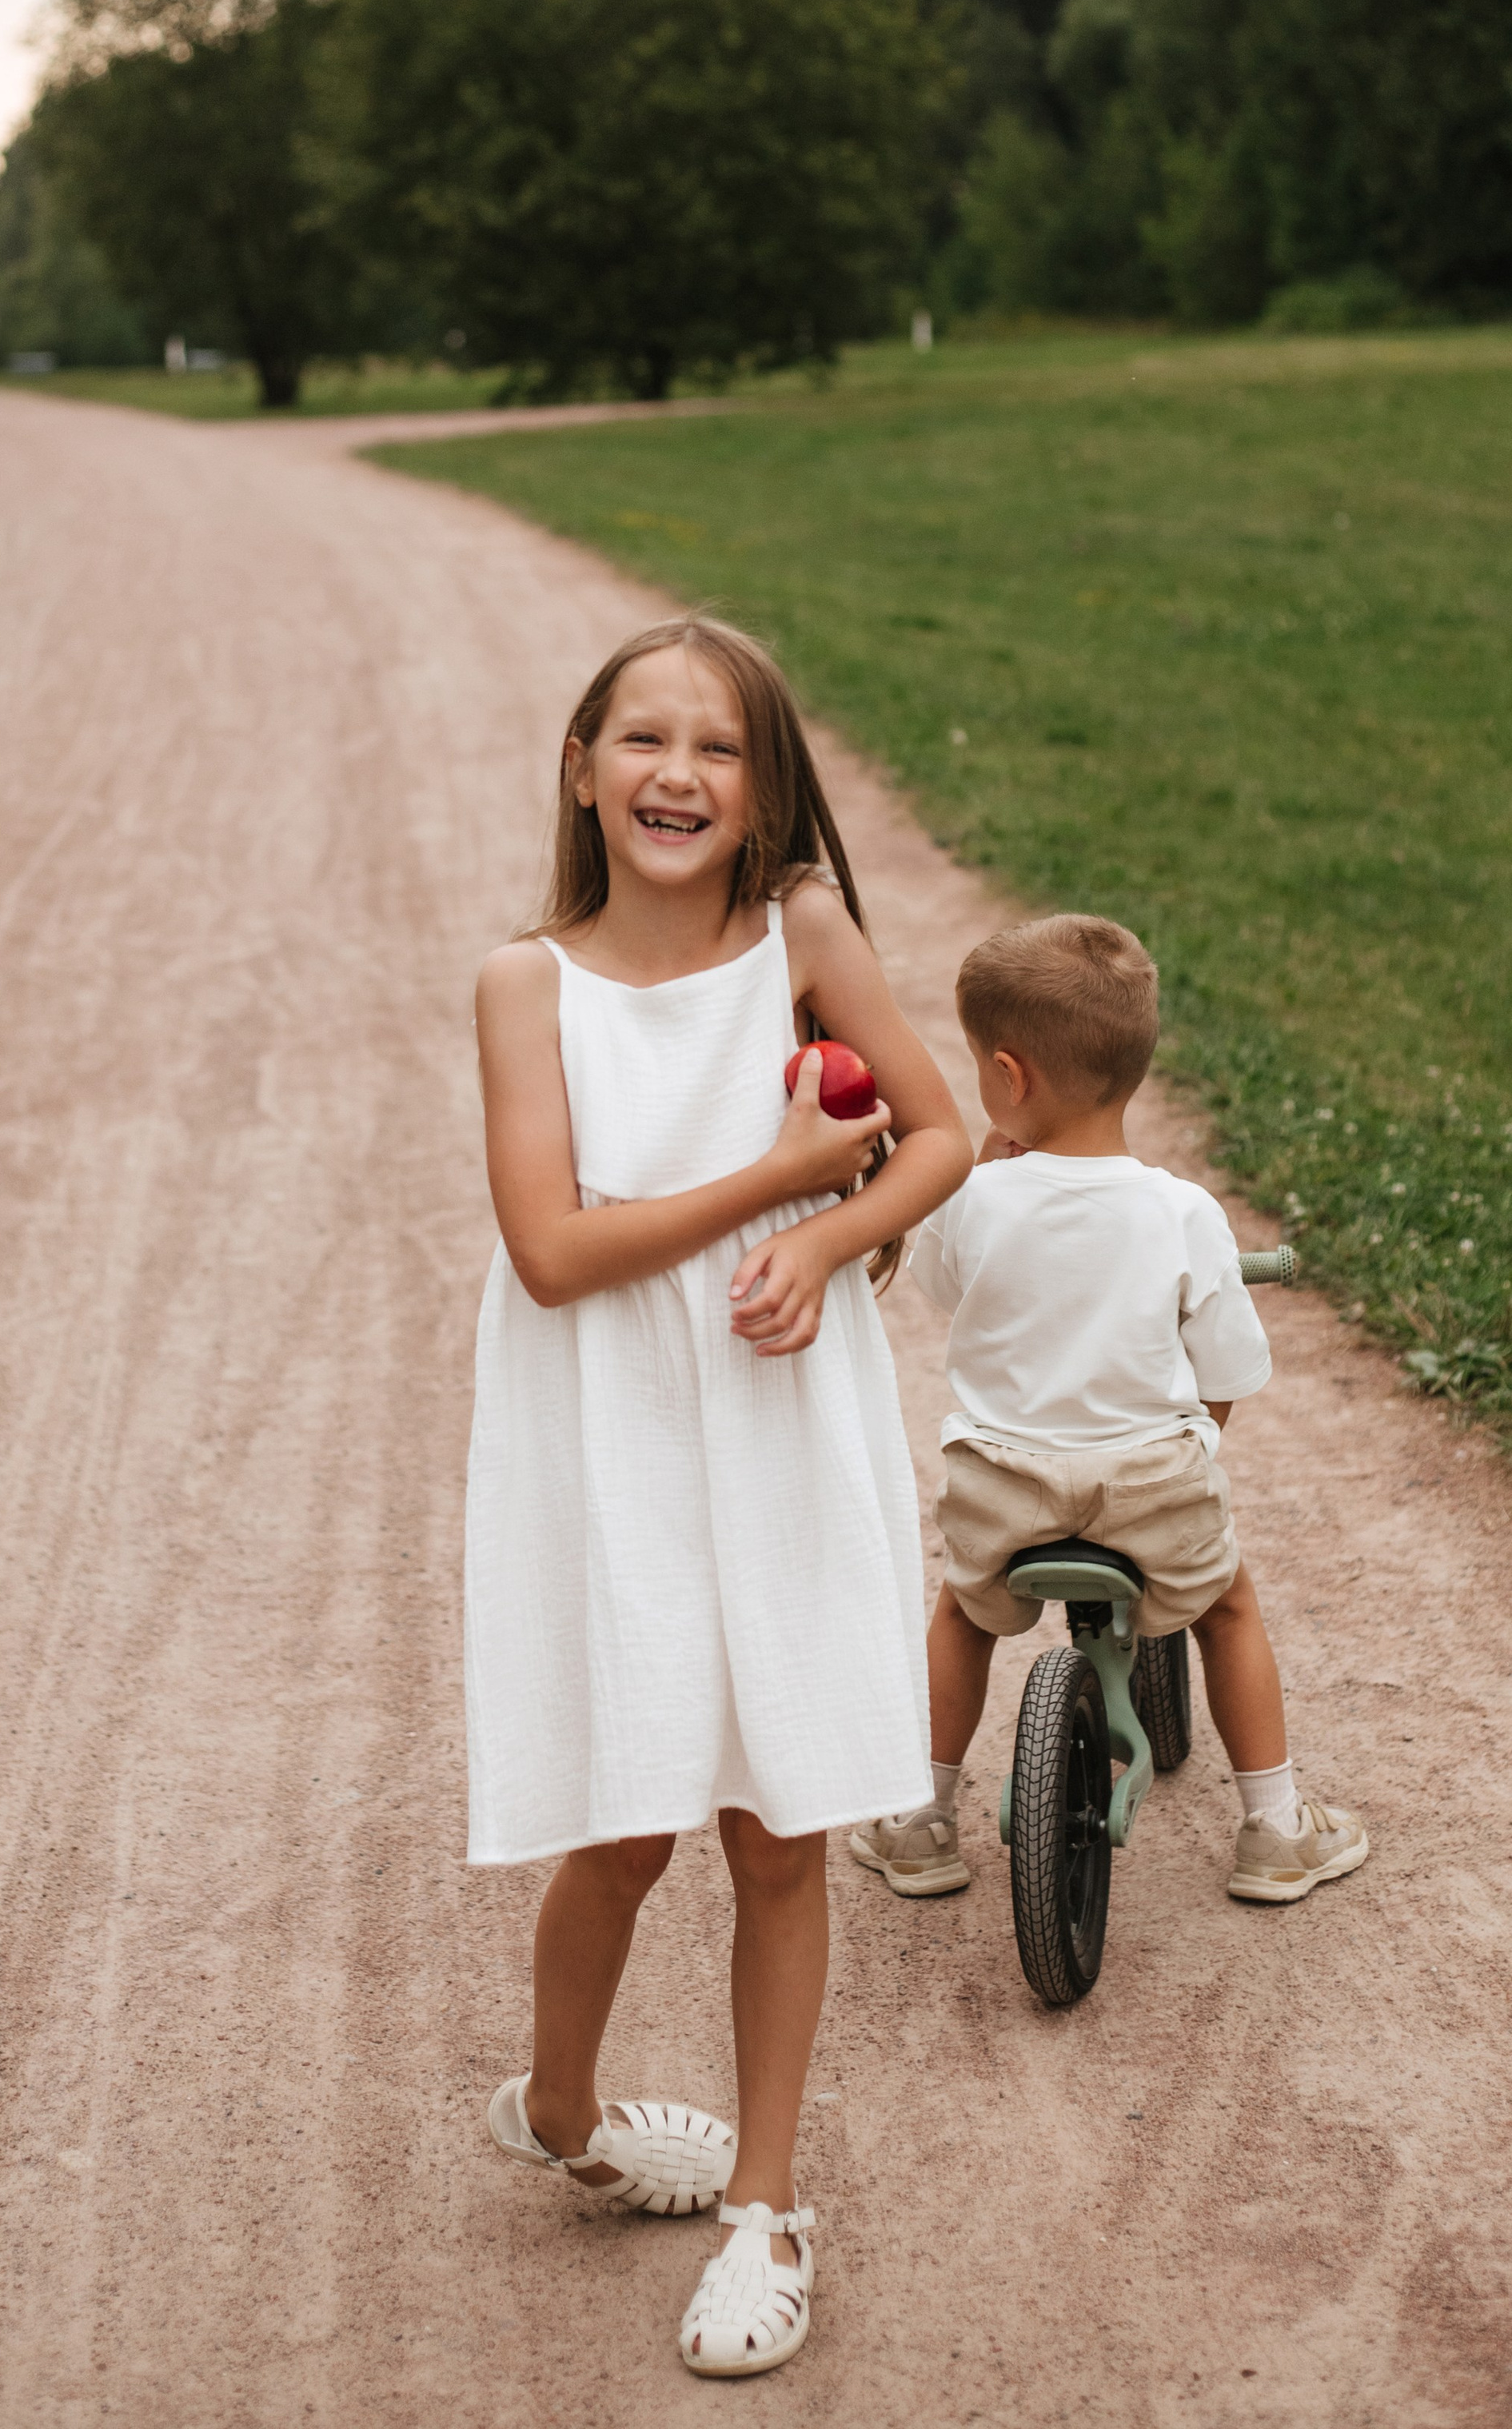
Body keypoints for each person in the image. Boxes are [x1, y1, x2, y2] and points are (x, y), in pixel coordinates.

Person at [469, 615, 971, 2379]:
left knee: (778, 1825)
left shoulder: (802, 935)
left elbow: (939, 1135)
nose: (676, 774)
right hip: (609, 1429)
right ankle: (559, 2109)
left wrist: (827, 1239)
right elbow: (550, 1252)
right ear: (579, 770)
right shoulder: (526, 986)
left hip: (772, 1416)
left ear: (762, 789)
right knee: (622, 1826)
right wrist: (773, 1181)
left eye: (718, 747)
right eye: (642, 739)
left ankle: (766, 2201)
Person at [851, 912, 1368, 1908]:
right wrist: (1195, 1440)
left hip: (1005, 1486)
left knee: (961, 1613)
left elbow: (945, 1292)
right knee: (1227, 1607)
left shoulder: (973, 1197)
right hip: (1148, 1486)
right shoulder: (1183, 1213)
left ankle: (920, 1819)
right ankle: (1273, 1828)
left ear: (1008, 1077)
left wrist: (988, 1180)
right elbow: (1226, 1370)